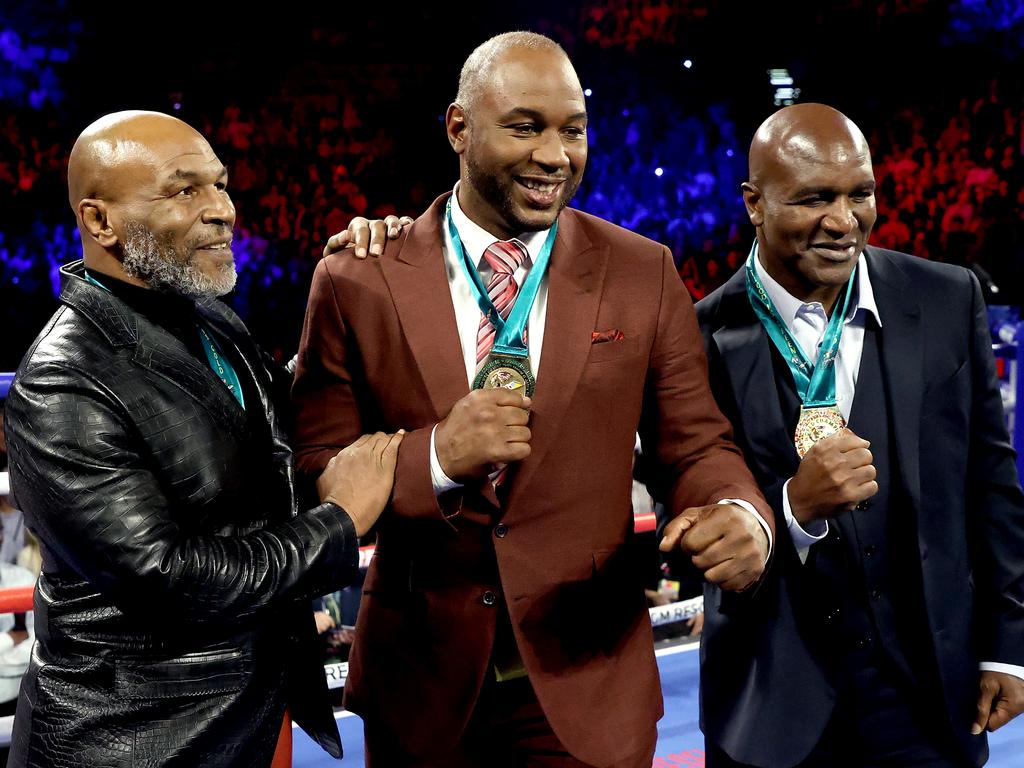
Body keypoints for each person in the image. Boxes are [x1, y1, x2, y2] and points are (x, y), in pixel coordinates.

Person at [293, 31, 773, 767]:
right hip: (422, 694)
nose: (555, 154)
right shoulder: (360, 279)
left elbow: (697, 444)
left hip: (588, 687)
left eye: (572, 130)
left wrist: (739, 513)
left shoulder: (641, 272)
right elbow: (317, 471)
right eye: (525, 126)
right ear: (459, 128)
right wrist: (436, 459)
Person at [3, 110, 404, 768]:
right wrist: (339, 523)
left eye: (221, 185)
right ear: (100, 221)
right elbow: (173, 580)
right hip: (132, 744)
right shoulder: (64, 384)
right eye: (185, 190)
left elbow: (279, 421)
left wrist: (347, 300)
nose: (222, 209)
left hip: (230, 719)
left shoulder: (205, 317)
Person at [694, 103, 1024, 767]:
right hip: (772, 705)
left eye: (860, 194)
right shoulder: (694, 338)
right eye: (815, 198)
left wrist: (1007, 647)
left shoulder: (945, 298)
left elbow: (990, 483)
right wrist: (792, 511)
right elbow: (689, 522)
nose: (844, 221)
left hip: (930, 691)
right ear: (755, 204)